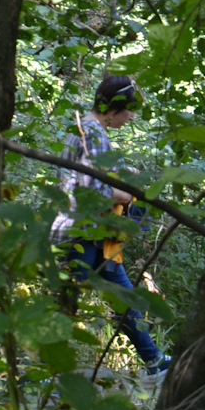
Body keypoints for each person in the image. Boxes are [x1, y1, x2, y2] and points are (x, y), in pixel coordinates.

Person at [51, 74, 170, 378]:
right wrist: (129, 193)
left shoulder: (87, 130)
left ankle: (154, 361)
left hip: (95, 234)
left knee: (123, 299)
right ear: (114, 107)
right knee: (63, 307)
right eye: (129, 110)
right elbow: (95, 191)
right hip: (80, 233)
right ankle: (45, 372)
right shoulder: (92, 132)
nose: (131, 117)